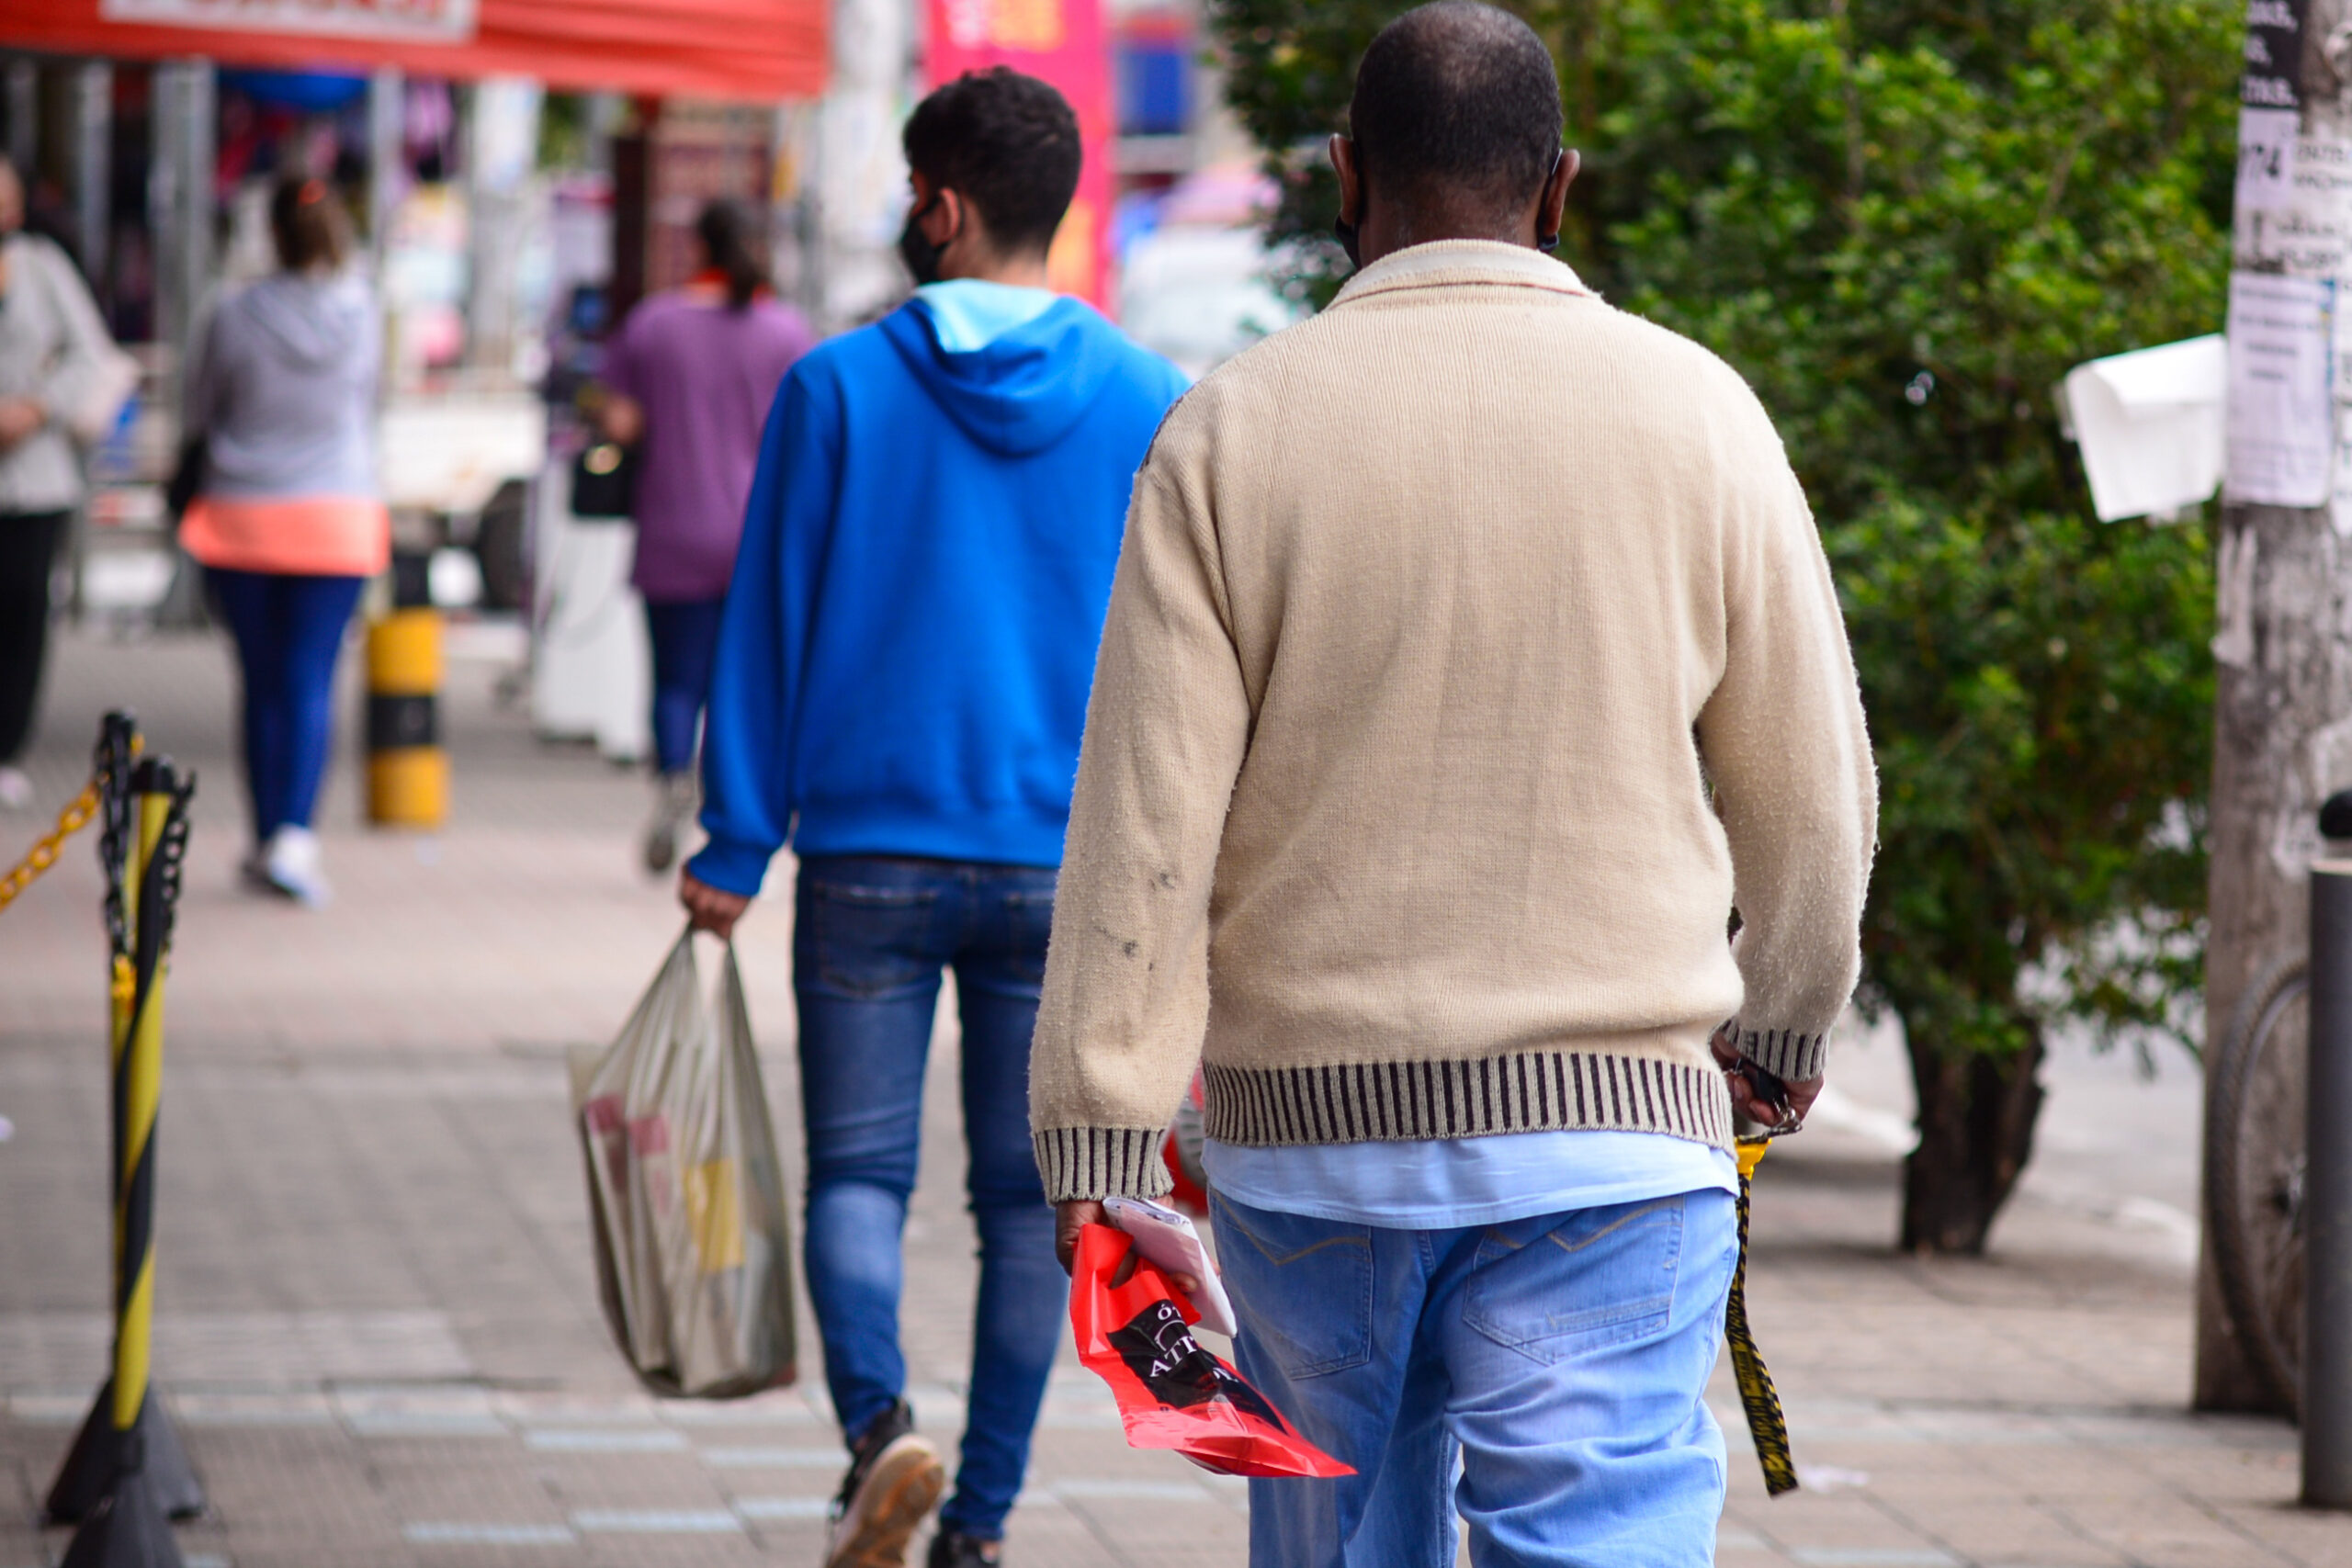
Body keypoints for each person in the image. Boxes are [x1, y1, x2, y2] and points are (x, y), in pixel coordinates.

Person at [1027, 6, 1879, 1565]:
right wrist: (1777, 1025)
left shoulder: (1231, 433)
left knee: (1344, 1539)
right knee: (1603, 1532)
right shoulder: (1701, 414)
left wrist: (1099, 1138)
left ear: (1346, 177)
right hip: (1622, 1137)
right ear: (1559, 189)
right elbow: (1814, 793)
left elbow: (1144, 825)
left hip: (1311, 1154)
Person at [676, 68, 1188, 1568]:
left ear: (941, 205)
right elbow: (1179, 666)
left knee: (857, 1173)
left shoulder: (834, 389)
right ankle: (976, 1527)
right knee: (1031, 1207)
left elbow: (763, 632)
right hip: (1066, 866)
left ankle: (876, 1432)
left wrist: (730, 843)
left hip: (865, 859)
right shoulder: (1152, 400)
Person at [181, 175, 389, 907]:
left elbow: (199, 407)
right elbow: (371, 400)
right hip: (337, 515)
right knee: (311, 677)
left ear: (270, 232)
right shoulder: (365, 312)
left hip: (243, 515)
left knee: (260, 680)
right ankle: (296, 835)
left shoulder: (231, 312)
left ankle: (265, 831)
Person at [594, 201, 812, 873]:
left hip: (674, 529)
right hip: (757, 540)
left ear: (695, 246)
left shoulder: (653, 324)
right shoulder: (787, 332)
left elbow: (621, 426)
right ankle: (738, 812)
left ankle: (670, 779)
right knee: (744, 683)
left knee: (675, 681)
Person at [0, 155, 131, 812]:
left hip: (32, 476)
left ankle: (7, 746)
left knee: (23, 610)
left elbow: (92, 354)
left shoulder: (41, 268)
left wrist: (38, 406)